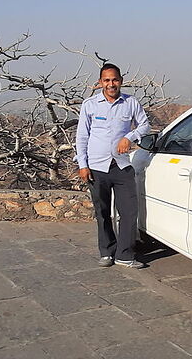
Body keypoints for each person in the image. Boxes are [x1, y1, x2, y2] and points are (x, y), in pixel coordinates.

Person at [75, 63, 150, 268]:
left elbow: (145, 125)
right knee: (102, 211)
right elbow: (82, 137)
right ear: (100, 83)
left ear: (121, 81)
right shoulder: (90, 105)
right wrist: (83, 165)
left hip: (121, 165)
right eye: (106, 80)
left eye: (115, 80)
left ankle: (125, 254)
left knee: (129, 211)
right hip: (97, 166)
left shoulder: (130, 103)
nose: (111, 84)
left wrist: (129, 136)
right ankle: (107, 251)